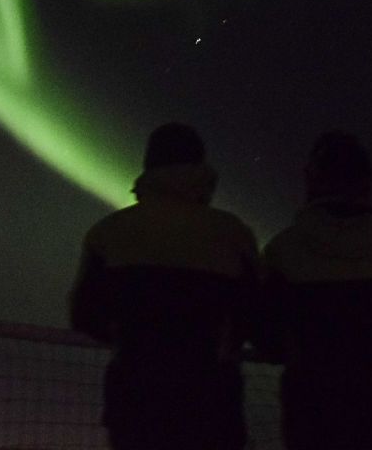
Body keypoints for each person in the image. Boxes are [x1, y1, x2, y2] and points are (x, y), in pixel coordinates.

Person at [70, 123, 260, 450]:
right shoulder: (233, 234)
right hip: (212, 401)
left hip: (135, 398)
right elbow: (256, 315)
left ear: (148, 166)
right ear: (202, 169)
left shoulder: (109, 232)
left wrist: (129, 341)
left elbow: (84, 314)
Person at [258, 131, 372, 450]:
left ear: (312, 180)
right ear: (367, 182)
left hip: (310, 408)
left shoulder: (284, 249)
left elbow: (261, 326)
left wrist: (289, 353)